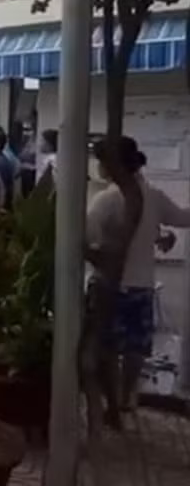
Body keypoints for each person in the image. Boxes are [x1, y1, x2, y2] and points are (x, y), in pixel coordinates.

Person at [86, 136, 190, 425]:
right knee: (135, 347)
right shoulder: (153, 196)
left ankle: (111, 405)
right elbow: (183, 217)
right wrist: (159, 235)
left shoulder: (105, 200)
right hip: (142, 285)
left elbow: (88, 236)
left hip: (110, 284)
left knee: (108, 348)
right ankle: (126, 397)